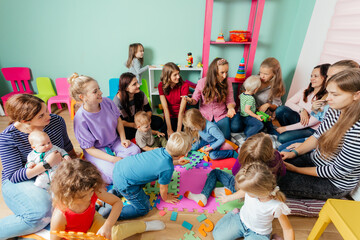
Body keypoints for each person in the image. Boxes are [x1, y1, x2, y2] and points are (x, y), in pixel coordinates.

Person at [0, 94, 76, 239]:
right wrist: (47, 164)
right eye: (41, 115)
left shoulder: (56, 121)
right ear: (24, 120)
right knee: (41, 213)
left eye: (46, 110)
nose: (49, 116)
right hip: (22, 179)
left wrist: (74, 163)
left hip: (53, 172)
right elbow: (14, 176)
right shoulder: (8, 137)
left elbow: (67, 146)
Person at [279, 69, 360, 200]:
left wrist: (296, 170)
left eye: (335, 94)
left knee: (271, 182)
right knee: (271, 165)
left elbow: (336, 171)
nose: (328, 99)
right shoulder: (335, 110)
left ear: (356, 95)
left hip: (333, 182)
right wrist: (295, 153)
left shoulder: (357, 131)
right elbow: (317, 136)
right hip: (315, 160)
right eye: (328, 93)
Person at [50, 159, 165, 240]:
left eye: (91, 192)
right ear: (68, 196)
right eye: (84, 196)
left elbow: (117, 203)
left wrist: (107, 226)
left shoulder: (92, 190)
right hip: (77, 236)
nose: (90, 197)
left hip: (92, 221)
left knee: (113, 234)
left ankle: (144, 226)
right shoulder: (60, 216)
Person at [70, 73, 140, 185]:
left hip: (114, 141)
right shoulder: (80, 119)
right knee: (112, 175)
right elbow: (90, 149)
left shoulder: (107, 102)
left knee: (135, 150)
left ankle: (123, 167)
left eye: (99, 89)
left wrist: (123, 139)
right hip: (97, 150)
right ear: (82, 97)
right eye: (95, 91)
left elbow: (118, 120)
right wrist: (112, 159)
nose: (100, 93)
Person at [278, 60, 359, 152]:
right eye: (328, 76)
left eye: (316, 76)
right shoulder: (326, 99)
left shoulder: (338, 107)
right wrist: (309, 109)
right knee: (282, 145)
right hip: (316, 137)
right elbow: (319, 125)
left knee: (283, 143)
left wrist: (303, 146)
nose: (328, 80)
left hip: (316, 137)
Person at [185, 133, 285, 207]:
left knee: (215, 172)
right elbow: (283, 172)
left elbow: (234, 172)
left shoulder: (244, 159)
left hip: (242, 188)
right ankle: (228, 191)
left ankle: (204, 195)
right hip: (261, 192)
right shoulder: (276, 155)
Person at [112, 132, 191, 219]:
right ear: (181, 155)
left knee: (130, 182)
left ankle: (113, 193)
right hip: (126, 184)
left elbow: (162, 163)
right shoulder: (168, 169)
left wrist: (177, 162)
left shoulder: (160, 150)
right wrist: (166, 198)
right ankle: (113, 213)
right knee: (143, 209)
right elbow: (163, 188)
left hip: (119, 168)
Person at [212, 162, 294, 240]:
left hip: (259, 234)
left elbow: (288, 229)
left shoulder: (276, 206)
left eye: (247, 191)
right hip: (241, 220)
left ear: (258, 192)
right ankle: (235, 213)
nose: (245, 191)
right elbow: (243, 191)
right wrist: (229, 198)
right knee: (218, 236)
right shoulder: (251, 189)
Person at [275, 64, 330, 143]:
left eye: (315, 76)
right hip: (299, 121)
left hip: (311, 129)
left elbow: (310, 122)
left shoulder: (326, 98)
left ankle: (288, 132)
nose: (312, 79)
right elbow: (288, 103)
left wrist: (285, 128)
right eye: (311, 76)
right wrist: (302, 110)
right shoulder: (306, 90)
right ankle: (289, 132)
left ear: (325, 77)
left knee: (281, 138)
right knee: (281, 110)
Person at [185, 58, 236, 140]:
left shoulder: (228, 83)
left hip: (221, 115)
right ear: (214, 72)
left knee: (224, 138)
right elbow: (195, 100)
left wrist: (231, 108)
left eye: (226, 72)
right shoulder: (202, 82)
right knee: (205, 138)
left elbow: (230, 101)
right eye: (222, 72)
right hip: (204, 115)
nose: (225, 76)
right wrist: (190, 100)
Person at [113, 72, 163, 140]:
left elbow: (148, 110)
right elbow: (119, 121)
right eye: (134, 84)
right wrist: (134, 125)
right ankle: (143, 133)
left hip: (141, 119)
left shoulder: (140, 94)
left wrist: (144, 121)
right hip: (128, 124)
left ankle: (143, 131)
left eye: (137, 82)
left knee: (159, 121)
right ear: (126, 88)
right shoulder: (117, 101)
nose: (138, 85)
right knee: (121, 132)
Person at [158, 62, 189, 137]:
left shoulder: (185, 85)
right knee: (167, 135)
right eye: (175, 75)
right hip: (169, 116)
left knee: (183, 136)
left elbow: (182, 110)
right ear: (167, 76)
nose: (178, 77)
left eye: (178, 74)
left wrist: (178, 130)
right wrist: (169, 129)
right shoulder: (161, 85)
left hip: (181, 116)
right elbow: (165, 108)